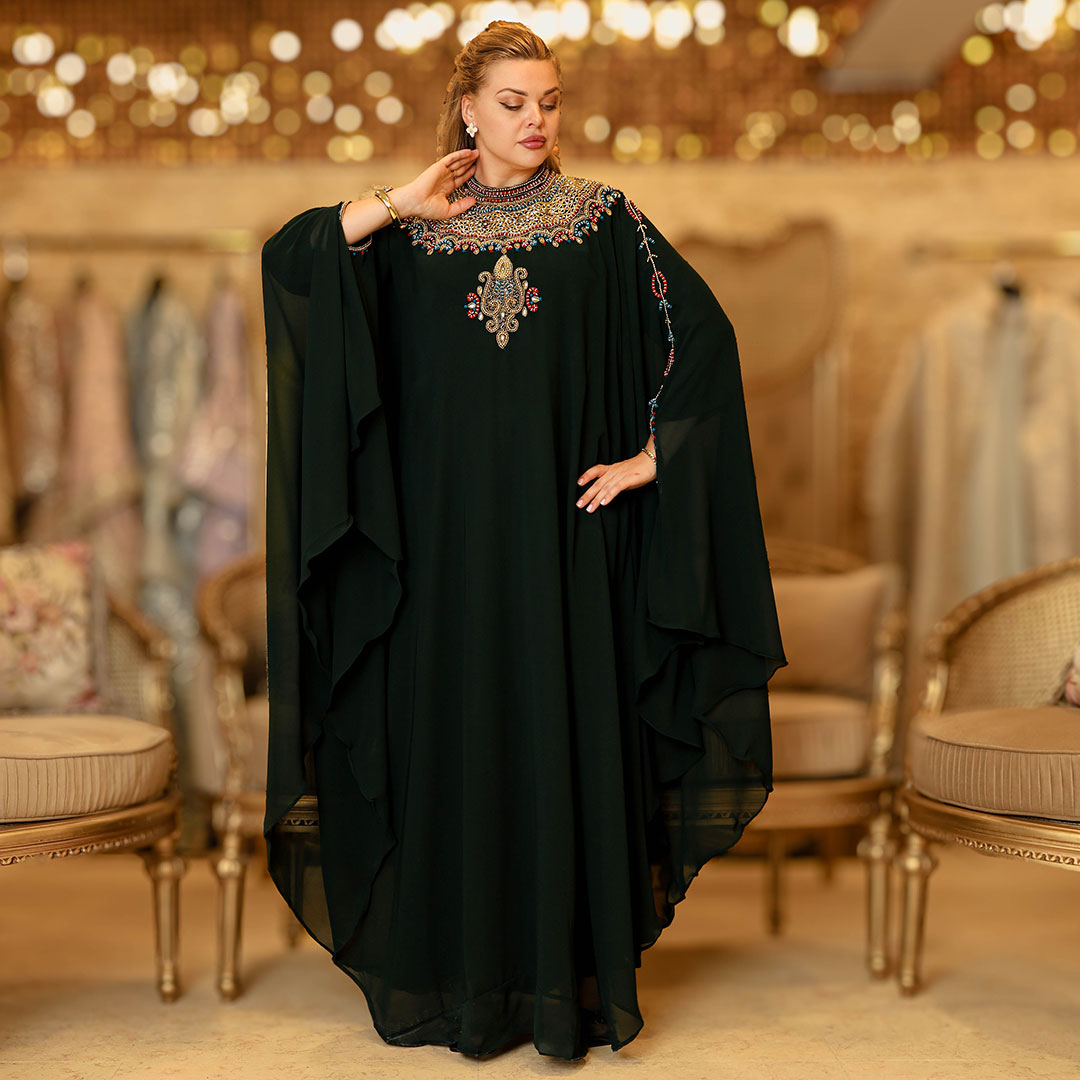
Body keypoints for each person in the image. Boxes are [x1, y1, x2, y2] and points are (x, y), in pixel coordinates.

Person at [261, 19, 786, 1063]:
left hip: (565, 547)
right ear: (468, 109)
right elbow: (292, 262)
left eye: (548, 102)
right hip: (438, 554)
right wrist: (399, 202)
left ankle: (557, 989)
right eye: (512, 103)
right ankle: (460, 987)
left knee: (558, 733)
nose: (535, 120)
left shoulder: (602, 222)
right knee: (449, 742)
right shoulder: (409, 233)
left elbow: (704, 339)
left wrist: (655, 457)